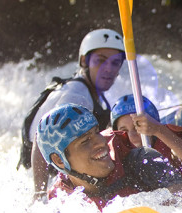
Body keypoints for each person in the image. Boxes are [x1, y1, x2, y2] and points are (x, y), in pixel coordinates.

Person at [18, 28, 126, 201]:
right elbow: (42, 139)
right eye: (101, 61)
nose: (108, 69)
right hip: (48, 177)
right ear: (84, 60)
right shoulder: (76, 95)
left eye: (115, 63)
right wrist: (39, 196)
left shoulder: (90, 91)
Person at [36, 103, 182, 210]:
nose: (100, 142)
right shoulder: (60, 200)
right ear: (59, 161)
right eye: (85, 141)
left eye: (96, 132)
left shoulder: (141, 160)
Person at [110, 94, 182, 193]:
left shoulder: (171, 146)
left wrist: (158, 130)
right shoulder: (117, 159)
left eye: (137, 127)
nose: (132, 136)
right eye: (124, 131)